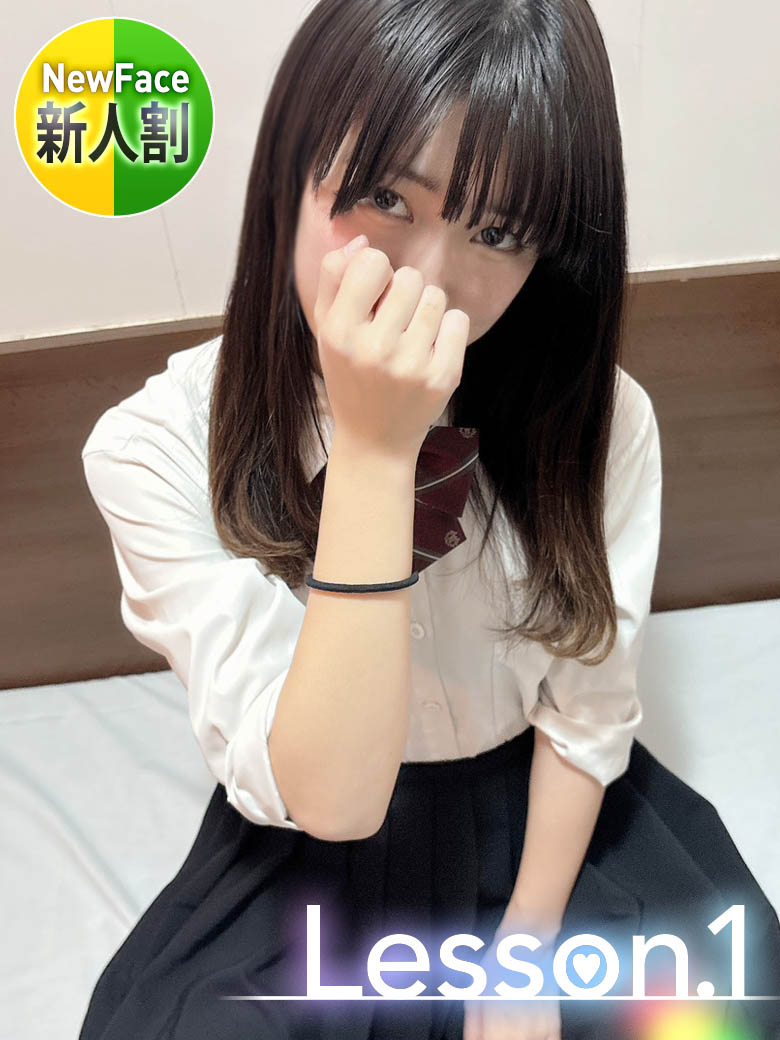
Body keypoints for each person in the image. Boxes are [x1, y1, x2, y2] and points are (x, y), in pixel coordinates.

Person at [76, 1, 780, 1038]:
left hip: (545, 814)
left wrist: (528, 949)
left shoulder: (599, 420)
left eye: (497, 232)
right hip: (310, 840)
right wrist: (373, 450)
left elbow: (589, 709)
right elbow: (332, 798)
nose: (432, 282)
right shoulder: (158, 445)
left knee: (722, 1006)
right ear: (290, 176)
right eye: (384, 198)